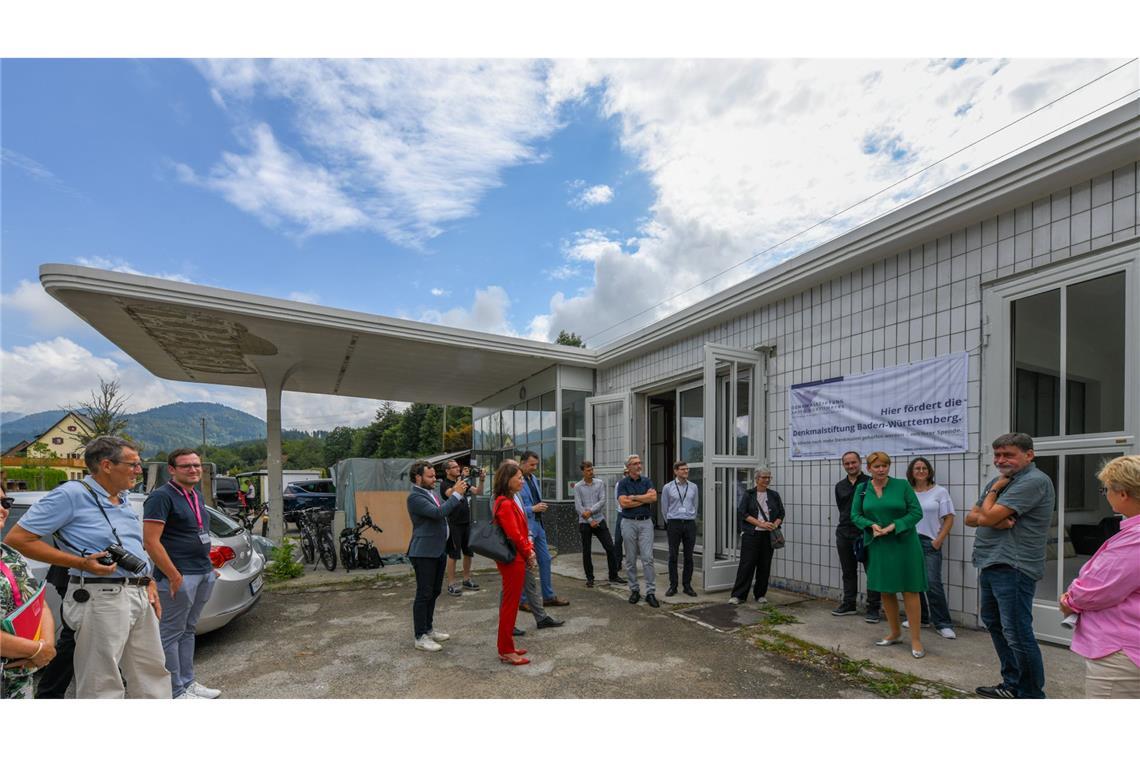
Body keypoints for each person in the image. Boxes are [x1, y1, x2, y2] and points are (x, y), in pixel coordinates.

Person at [6, 436, 171, 698]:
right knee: (101, 681)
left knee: (151, 671)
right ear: (106, 465)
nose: (138, 470)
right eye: (133, 464)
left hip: (137, 592)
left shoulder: (123, 497)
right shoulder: (71, 494)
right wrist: (82, 563)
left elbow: (134, 546)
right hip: (100, 595)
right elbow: (17, 539)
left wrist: (147, 581)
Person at [966, 432, 1055, 699]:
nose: (1001, 460)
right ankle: (1012, 683)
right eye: (997, 455)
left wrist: (991, 503)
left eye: (1008, 454)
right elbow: (971, 518)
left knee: (1017, 632)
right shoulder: (1001, 480)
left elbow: (988, 514)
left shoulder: (1034, 481)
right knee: (995, 622)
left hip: (1013, 566)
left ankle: (1030, 694)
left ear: (1029, 455)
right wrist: (990, 514)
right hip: (992, 561)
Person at [142, 448, 220, 699]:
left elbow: (196, 533)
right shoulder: (161, 497)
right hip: (179, 577)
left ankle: (188, 683)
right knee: (171, 633)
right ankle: (174, 691)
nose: (193, 469)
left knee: (189, 629)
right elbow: (151, 542)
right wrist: (174, 575)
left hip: (202, 572)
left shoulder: (194, 494)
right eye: (186, 466)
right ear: (172, 469)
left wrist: (208, 566)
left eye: (196, 465)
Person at [1060, 454, 1140, 698]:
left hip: (1121, 652)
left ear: (1123, 493)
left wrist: (1070, 601)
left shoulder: (1134, 539)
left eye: (1106, 488)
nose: (1105, 494)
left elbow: (1101, 588)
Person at [850, 451, 927, 659]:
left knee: (911, 590)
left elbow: (916, 512)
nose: (881, 469)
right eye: (877, 466)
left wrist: (895, 525)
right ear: (869, 469)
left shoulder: (902, 486)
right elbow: (855, 515)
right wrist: (871, 525)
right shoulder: (862, 489)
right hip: (879, 544)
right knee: (886, 590)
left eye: (885, 465)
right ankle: (894, 632)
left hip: (905, 544)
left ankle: (916, 639)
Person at [406, 460, 469, 652]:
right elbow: (438, 513)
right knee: (424, 594)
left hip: (437, 549)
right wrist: (457, 494)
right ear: (418, 477)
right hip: (424, 552)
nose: (435, 479)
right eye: (430, 476)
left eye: (435, 476)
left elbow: (444, 512)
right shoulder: (414, 497)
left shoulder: (431, 493)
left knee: (434, 592)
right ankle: (420, 636)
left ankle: (429, 629)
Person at [2, 485, 57, 699]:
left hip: (16, 683)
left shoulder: (10, 556)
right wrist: (35, 650)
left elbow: (37, 603)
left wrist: (46, 644)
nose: (2, 509)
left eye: (5, 503)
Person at [505, 458, 563, 632]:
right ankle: (511, 622)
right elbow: (515, 520)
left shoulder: (530, 481)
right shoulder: (503, 497)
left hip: (534, 529)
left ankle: (544, 607)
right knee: (510, 586)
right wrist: (533, 510)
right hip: (520, 539)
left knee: (541, 564)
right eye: (531, 464)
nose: (521, 480)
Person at [905, 457, 957, 639]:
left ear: (929, 471)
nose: (920, 471)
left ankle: (943, 623)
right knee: (913, 583)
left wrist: (939, 540)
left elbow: (949, 518)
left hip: (930, 542)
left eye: (924, 468)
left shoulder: (940, 492)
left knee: (932, 583)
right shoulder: (907, 491)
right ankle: (921, 618)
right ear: (911, 472)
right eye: (917, 468)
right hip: (909, 542)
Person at [491, 461, 537, 665]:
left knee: (511, 604)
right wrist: (529, 553)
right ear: (507, 480)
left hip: (515, 558)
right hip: (513, 559)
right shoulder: (506, 503)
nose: (522, 481)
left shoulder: (507, 500)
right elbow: (515, 535)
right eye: (518, 478)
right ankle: (505, 650)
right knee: (510, 605)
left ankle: (507, 646)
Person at [833, 451, 881, 622]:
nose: (851, 466)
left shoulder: (871, 483)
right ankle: (849, 604)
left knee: (872, 571)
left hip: (866, 533)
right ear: (843, 465)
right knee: (848, 571)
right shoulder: (840, 486)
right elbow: (842, 508)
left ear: (860, 463)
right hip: (844, 533)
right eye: (847, 463)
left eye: (853, 462)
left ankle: (874, 608)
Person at [517, 451, 569, 609]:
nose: (534, 468)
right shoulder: (516, 480)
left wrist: (539, 507)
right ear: (522, 463)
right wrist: (533, 508)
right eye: (532, 465)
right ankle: (523, 600)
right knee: (527, 564)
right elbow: (514, 507)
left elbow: (535, 499)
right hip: (526, 527)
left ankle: (548, 596)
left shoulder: (533, 479)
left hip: (539, 525)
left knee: (545, 560)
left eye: (536, 465)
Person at [729, 468, 785, 606]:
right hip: (752, 534)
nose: (767, 480)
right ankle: (738, 595)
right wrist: (761, 523)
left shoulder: (774, 495)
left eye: (769, 477)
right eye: (764, 477)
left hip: (768, 535)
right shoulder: (749, 494)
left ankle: (760, 594)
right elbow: (743, 513)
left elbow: (781, 513)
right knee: (746, 565)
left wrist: (775, 524)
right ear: (757, 479)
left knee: (764, 565)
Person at [572, 461, 623, 588]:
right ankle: (590, 578)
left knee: (610, 547)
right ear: (583, 471)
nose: (591, 472)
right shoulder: (578, 487)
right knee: (587, 551)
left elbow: (602, 500)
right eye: (588, 470)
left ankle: (613, 575)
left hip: (599, 519)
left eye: (591, 470)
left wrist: (590, 511)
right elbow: (578, 507)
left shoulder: (599, 483)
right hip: (585, 522)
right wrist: (590, 520)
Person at [617, 454, 659, 608]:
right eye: (635, 463)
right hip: (628, 523)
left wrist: (634, 497)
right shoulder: (622, 483)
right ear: (629, 467)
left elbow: (653, 498)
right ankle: (634, 590)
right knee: (630, 559)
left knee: (648, 558)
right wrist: (643, 498)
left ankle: (650, 593)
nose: (639, 465)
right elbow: (624, 504)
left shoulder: (647, 480)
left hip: (645, 523)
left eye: (640, 463)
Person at [440, 460, 484, 596]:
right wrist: (463, 479)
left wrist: (481, 480)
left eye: (457, 467)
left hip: (466, 522)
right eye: (454, 467)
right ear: (447, 471)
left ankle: (466, 579)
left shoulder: (462, 481)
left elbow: (478, 491)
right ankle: (451, 584)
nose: (457, 469)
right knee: (453, 554)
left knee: (468, 552)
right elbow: (451, 494)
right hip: (454, 523)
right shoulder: (444, 484)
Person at [661, 461, 699, 598]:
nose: (686, 472)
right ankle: (673, 585)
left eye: (687, 469)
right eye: (683, 469)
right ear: (676, 471)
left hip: (689, 524)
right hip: (674, 524)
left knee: (689, 556)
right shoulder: (668, 487)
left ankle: (687, 586)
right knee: (673, 555)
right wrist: (670, 522)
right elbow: (664, 508)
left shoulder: (694, 487)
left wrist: (691, 517)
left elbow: (696, 505)